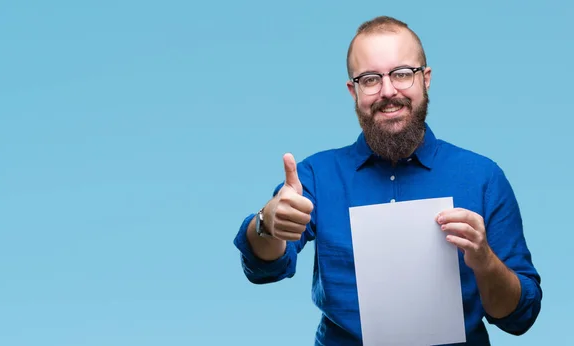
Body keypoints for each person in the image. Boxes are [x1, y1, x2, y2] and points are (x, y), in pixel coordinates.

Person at [232, 16, 542, 345]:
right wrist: (268, 222)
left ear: (426, 79)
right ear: (353, 90)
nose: (388, 91)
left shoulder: (483, 178)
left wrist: (485, 261)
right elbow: (263, 268)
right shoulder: (316, 177)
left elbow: (519, 317)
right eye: (370, 79)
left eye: (402, 74)